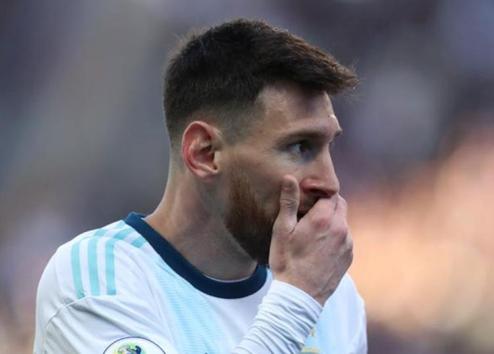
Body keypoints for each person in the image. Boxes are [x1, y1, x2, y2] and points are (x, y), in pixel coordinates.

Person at [33, 19, 366, 353]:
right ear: (204, 153)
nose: (330, 183)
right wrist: (297, 301)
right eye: (300, 147)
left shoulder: (335, 299)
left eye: (329, 146)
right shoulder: (96, 279)